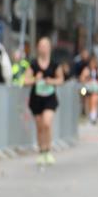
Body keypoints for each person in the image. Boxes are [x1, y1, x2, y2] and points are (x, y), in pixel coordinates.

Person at [24, 37, 64, 165]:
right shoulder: (33, 64)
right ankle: (41, 151)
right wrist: (35, 79)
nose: (43, 48)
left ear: (49, 48)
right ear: (38, 48)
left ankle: (48, 150)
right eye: (41, 46)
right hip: (36, 98)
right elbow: (25, 80)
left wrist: (51, 81)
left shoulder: (54, 64)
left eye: (45, 46)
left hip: (49, 98)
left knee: (47, 123)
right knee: (40, 126)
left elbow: (61, 79)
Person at [79, 55, 98, 124]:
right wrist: (88, 80)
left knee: (94, 100)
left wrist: (97, 81)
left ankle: (93, 116)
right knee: (90, 102)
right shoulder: (86, 70)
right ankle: (91, 116)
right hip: (88, 88)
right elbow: (82, 78)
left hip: (96, 89)